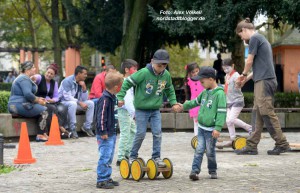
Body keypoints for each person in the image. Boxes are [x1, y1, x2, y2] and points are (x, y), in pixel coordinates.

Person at [117, 49, 181, 167]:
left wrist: (174, 103)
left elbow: (169, 90)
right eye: (159, 65)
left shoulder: (166, 75)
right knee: (140, 133)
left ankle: (156, 157)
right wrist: (120, 97)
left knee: (157, 133)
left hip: (155, 110)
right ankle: (132, 156)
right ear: (152, 61)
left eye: (164, 65)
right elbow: (127, 83)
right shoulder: (143, 72)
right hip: (141, 109)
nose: (161, 68)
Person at [235, 18, 290, 155]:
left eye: (241, 35)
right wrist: (245, 79)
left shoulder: (255, 38)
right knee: (257, 113)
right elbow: (258, 68)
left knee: (266, 111)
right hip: (263, 80)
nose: (242, 39)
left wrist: (242, 74)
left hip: (265, 82)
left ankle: (281, 143)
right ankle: (252, 145)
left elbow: (249, 61)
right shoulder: (261, 39)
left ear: (244, 30)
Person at [180, 66, 226, 180]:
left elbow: (221, 112)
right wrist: (183, 105)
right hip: (201, 128)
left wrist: (218, 127)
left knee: (210, 152)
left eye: (202, 81)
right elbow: (195, 102)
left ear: (211, 79)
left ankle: (212, 170)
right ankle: (194, 171)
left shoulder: (220, 94)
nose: (201, 84)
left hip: (211, 130)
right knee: (199, 149)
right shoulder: (204, 92)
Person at [95, 71, 124, 189]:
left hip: (111, 132)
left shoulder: (112, 98)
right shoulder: (105, 99)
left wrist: (119, 103)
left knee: (110, 155)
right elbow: (101, 117)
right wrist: (103, 131)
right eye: (121, 85)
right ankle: (101, 179)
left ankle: (107, 176)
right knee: (105, 155)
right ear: (117, 87)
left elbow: (113, 106)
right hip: (105, 133)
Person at [7, 61, 49, 142]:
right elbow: (28, 94)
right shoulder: (24, 78)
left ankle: (44, 133)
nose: (35, 69)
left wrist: (38, 99)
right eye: (33, 67)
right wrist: (38, 101)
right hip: (20, 105)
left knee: (41, 109)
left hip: (16, 105)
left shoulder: (22, 78)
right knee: (44, 111)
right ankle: (40, 134)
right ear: (27, 70)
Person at [217, 58, 252, 147]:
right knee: (228, 122)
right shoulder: (227, 76)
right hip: (229, 101)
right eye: (224, 69)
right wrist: (219, 86)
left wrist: (238, 83)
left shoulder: (236, 75)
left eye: (227, 68)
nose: (225, 70)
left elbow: (239, 83)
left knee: (231, 119)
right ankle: (233, 139)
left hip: (237, 101)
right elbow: (227, 86)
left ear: (232, 66)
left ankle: (250, 128)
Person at [31, 63, 70, 138]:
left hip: (49, 102)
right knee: (52, 108)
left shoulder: (54, 83)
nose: (49, 75)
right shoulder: (40, 78)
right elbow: (34, 77)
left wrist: (52, 100)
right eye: (48, 72)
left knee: (62, 108)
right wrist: (33, 77)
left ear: (54, 76)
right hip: (39, 101)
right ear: (46, 72)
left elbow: (56, 97)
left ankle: (57, 129)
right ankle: (59, 128)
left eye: (51, 74)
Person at [58, 65, 95, 138]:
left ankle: (87, 127)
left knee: (91, 103)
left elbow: (84, 99)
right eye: (84, 74)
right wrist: (80, 102)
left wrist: (84, 88)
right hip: (63, 103)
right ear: (78, 74)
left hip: (75, 103)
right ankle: (72, 128)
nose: (86, 76)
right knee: (73, 103)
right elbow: (67, 97)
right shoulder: (67, 81)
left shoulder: (81, 82)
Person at [116, 59, 137, 166]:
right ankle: (120, 157)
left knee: (133, 131)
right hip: (124, 110)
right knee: (125, 132)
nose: (136, 71)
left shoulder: (129, 81)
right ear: (127, 70)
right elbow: (127, 100)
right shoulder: (125, 82)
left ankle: (127, 152)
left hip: (128, 111)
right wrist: (134, 113)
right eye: (134, 69)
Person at [184, 62, 205, 136]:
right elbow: (188, 93)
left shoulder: (203, 79)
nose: (195, 73)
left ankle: (205, 136)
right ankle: (196, 138)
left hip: (203, 102)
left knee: (204, 121)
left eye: (197, 71)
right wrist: (187, 101)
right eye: (193, 72)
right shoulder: (188, 81)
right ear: (189, 73)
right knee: (196, 122)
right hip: (194, 103)